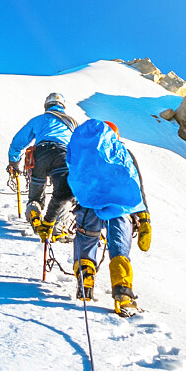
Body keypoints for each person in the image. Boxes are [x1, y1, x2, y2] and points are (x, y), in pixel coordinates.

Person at [64, 119, 151, 317]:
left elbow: (73, 178)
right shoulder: (123, 153)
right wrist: (144, 218)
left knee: (87, 239)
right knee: (119, 248)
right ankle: (123, 294)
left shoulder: (84, 154)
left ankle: (85, 284)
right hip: (120, 209)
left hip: (89, 205)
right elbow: (136, 185)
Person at [7, 92, 78, 242]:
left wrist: (14, 162)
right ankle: (58, 231)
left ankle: (34, 214)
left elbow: (18, 141)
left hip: (39, 155)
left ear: (47, 106)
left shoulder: (38, 120)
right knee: (64, 193)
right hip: (62, 156)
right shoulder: (72, 123)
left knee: (36, 195)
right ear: (63, 106)